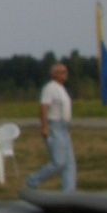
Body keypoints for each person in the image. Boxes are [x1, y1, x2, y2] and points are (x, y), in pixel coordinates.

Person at [26, 63, 77, 192]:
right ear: (54, 74)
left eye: (66, 72)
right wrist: (45, 126)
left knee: (69, 164)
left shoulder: (62, 89)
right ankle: (33, 180)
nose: (65, 74)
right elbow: (44, 107)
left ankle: (69, 192)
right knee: (59, 162)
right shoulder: (50, 88)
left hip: (65, 127)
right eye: (62, 72)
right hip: (55, 126)